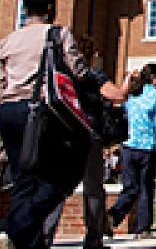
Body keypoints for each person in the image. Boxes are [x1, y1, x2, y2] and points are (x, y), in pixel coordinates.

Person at [0, 0, 130, 248]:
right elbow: (78, 71)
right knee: (63, 176)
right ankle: (13, 228)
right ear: (50, 8)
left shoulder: (9, 40)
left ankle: (27, 242)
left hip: (8, 112)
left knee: (23, 180)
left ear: (25, 9)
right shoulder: (57, 34)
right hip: (39, 113)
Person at [43, 35, 132, 248]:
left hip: (62, 135)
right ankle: (94, 239)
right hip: (89, 135)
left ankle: (44, 237)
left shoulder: (58, 76)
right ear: (91, 56)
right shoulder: (93, 76)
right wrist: (128, 83)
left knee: (57, 188)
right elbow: (118, 96)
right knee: (93, 189)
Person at [107, 63, 156, 240]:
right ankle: (142, 229)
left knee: (130, 186)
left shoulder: (130, 95)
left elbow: (120, 114)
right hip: (147, 149)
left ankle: (113, 216)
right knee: (146, 188)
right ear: (154, 78)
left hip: (128, 147)